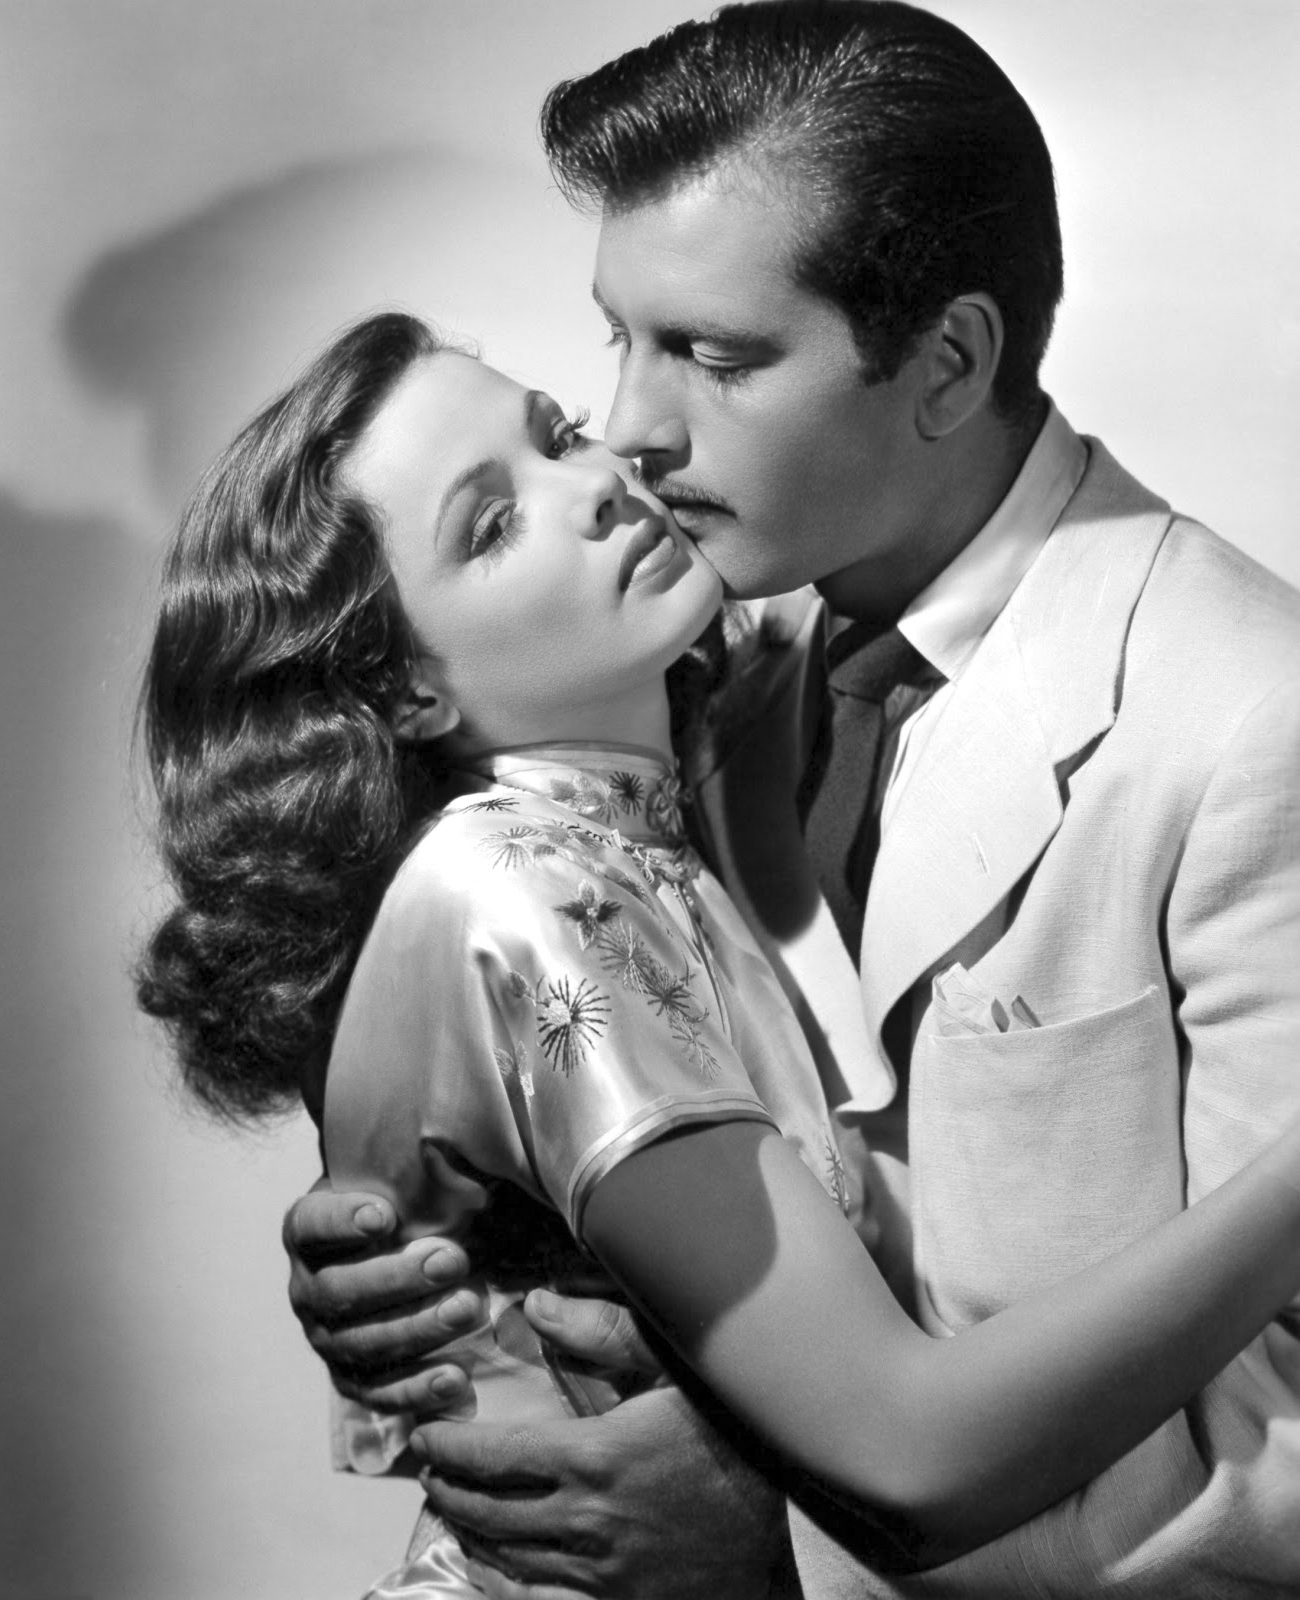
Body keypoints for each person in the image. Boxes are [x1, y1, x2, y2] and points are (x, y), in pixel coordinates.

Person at [281, 3, 1300, 1596]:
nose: (630, 431)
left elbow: (1283, 1449)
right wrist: (437, 1247)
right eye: (618, 339)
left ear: (946, 363)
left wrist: (776, 1537)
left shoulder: (1249, 721)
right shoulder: (698, 679)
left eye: (712, 355)